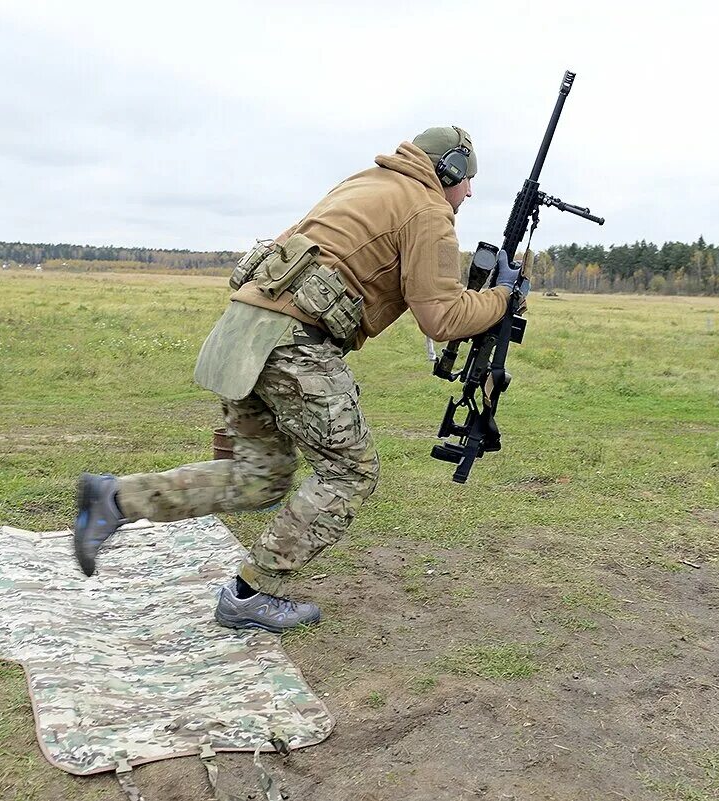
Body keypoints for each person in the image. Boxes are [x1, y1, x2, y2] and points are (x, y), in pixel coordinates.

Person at [73, 126, 527, 633]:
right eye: (468, 182)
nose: (469, 193)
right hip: (292, 343)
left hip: (242, 333)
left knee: (260, 477)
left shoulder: (365, 183)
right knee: (350, 473)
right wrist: (503, 297)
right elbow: (440, 317)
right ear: (449, 172)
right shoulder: (428, 210)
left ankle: (114, 499)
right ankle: (251, 595)